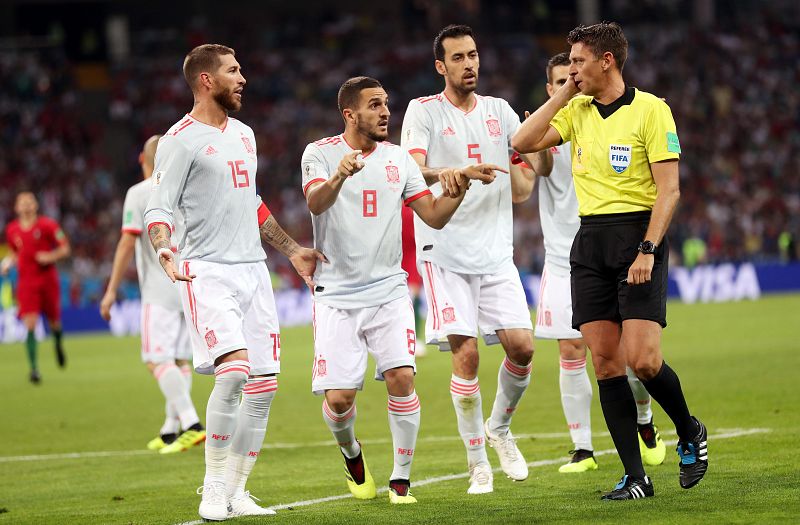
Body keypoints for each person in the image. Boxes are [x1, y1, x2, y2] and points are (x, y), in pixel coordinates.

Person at [513, 22, 708, 500]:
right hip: (590, 241)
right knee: (604, 364)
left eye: (578, 61)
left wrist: (647, 249)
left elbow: (670, 190)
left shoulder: (652, 110)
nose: (571, 70)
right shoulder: (576, 111)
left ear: (607, 61)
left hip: (637, 237)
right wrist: (561, 95)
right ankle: (635, 476)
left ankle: (689, 431)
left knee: (642, 360)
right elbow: (521, 141)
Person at [143, 44, 324, 520]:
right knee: (236, 371)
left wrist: (292, 251)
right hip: (208, 270)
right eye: (233, 70)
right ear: (206, 80)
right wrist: (165, 248)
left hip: (253, 271)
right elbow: (158, 207)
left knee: (263, 387)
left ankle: (239, 491)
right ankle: (212, 487)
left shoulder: (244, 134)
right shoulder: (179, 140)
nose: (243, 78)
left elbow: (253, 202)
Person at [302, 76, 490, 505]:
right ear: (350, 114)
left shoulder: (399, 160)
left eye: (386, 103)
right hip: (336, 296)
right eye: (374, 105)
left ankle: (401, 479)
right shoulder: (319, 153)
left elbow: (434, 216)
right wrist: (339, 176)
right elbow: (316, 203)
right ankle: (352, 454)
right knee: (340, 399)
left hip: (388, 291)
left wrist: (457, 191)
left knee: (402, 378)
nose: (386, 111)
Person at [401, 24, 551, 494]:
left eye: (473, 55)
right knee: (465, 356)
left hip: (494, 253)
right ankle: (476, 463)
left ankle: (499, 428)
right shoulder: (422, 111)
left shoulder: (500, 112)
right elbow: (407, 167)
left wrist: (536, 163)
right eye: (459, 58)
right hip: (443, 252)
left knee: (523, 349)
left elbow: (523, 182)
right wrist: (454, 171)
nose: (470, 64)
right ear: (441, 66)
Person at [534, 52, 667, 474]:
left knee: (635, 358)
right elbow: (529, 157)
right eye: (558, 80)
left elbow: (665, 188)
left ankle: (646, 421)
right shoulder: (556, 127)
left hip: (620, 245)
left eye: (572, 75)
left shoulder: (608, 119)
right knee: (581, 353)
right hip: (565, 258)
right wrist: (558, 104)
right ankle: (583, 448)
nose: (567, 83)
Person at [100, 135, 205, 454]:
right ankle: (170, 429)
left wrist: (111, 290)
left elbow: (127, 242)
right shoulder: (187, 188)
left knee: (155, 359)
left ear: (143, 161)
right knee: (178, 359)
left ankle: (191, 423)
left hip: (159, 290)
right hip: (188, 285)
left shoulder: (139, 193)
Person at [1, 191, 70, 384]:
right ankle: (33, 369)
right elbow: (16, 253)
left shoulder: (48, 225)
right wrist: (7, 263)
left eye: (29, 202)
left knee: (54, 322)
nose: (26, 205)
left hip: (47, 280)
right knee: (29, 323)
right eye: (21, 202)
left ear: (36, 205)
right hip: (27, 282)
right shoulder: (12, 230)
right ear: (16, 207)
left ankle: (57, 343)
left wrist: (50, 256)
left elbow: (65, 248)